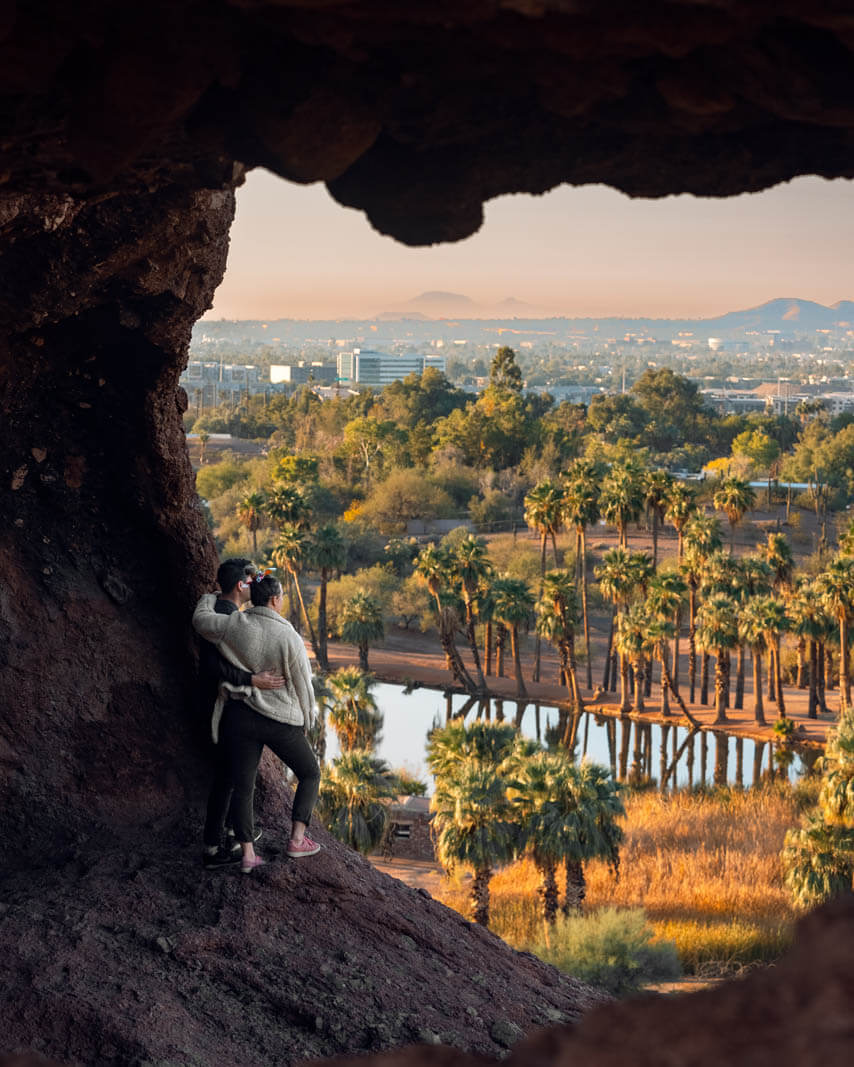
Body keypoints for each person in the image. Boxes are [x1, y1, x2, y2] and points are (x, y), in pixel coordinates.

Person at [193, 572, 321, 872]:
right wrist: (307, 720)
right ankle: (298, 840)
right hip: (279, 721)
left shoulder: (236, 623)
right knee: (310, 773)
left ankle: (248, 855)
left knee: (243, 786)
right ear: (275, 599)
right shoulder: (288, 634)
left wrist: (212, 595)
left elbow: (201, 620)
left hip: (240, 716)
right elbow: (303, 684)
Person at [199, 558, 286, 870]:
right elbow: (212, 666)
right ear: (240, 585)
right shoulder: (225, 616)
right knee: (232, 778)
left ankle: (221, 841)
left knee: (228, 777)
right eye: (250, 580)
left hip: (226, 707)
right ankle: (226, 844)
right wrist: (252, 680)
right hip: (223, 709)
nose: (255, 584)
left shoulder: (222, 610)